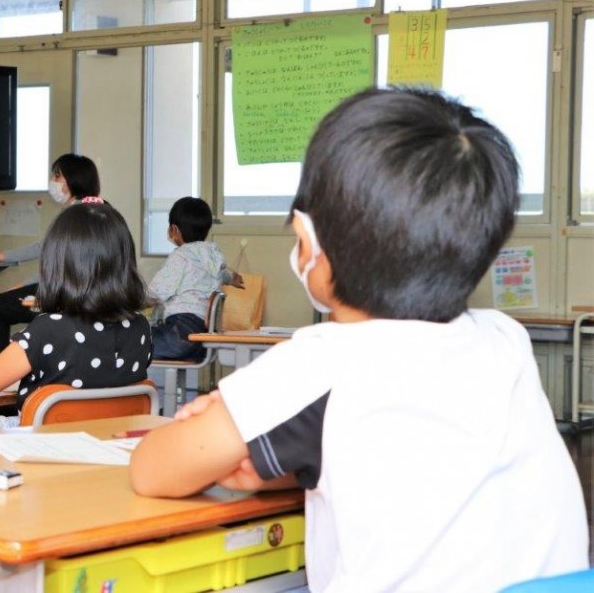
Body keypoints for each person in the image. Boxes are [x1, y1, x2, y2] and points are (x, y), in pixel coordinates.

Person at [129, 87, 588, 591]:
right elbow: (417, 460)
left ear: (311, 245)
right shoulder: (507, 341)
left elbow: (154, 471)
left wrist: (215, 434)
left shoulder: (324, 360)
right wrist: (276, 464)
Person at [0, 200, 152, 426]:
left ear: (58, 264)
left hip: (46, 451)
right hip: (110, 451)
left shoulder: (50, 329)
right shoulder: (140, 327)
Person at [0, 153, 101, 362]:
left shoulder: (72, 216)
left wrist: (21, 284)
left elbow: (55, 262)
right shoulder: (102, 210)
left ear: (73, 179)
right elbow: (48, 249)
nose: (53, 182)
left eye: (57, 177)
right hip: (96, 295)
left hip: (63, 296)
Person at [149, 196, 243, 360]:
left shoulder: (181, 257)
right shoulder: (213, 255)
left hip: (179, 335)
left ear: (174, 230)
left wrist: (130, 301)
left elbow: (156, 293)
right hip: (203, 342)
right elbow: (224, 273)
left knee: (132, 339)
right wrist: (234, 278)